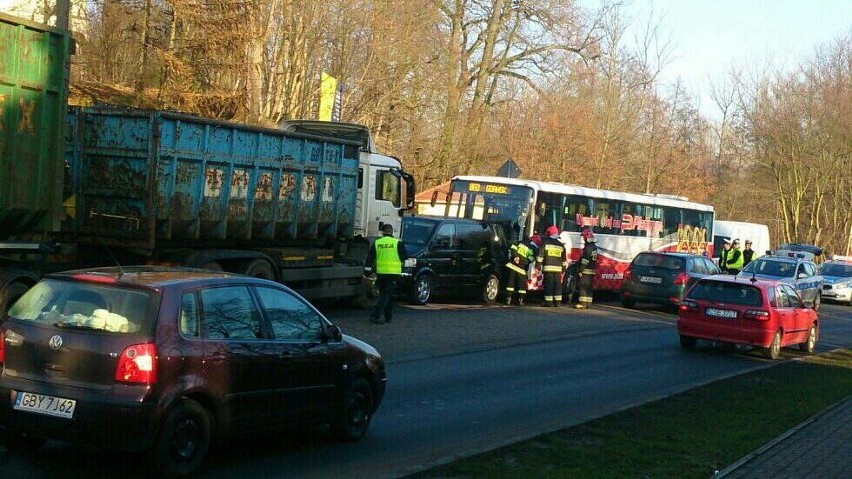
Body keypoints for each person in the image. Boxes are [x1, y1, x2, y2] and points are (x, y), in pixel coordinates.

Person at [364, 223, 406, 324]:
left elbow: (370, 258)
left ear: (382, 232)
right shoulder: (397, 243)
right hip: (393, 273)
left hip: (381, 273)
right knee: (386, 295)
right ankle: (375, 315)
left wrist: (367, 271)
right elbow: (404, 257)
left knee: (386, 294)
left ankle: (388, 317)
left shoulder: (377, 243)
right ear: (392, 232)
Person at [504, 234, 538, 306]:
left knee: (510, 283)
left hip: (512, 266)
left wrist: (515, 257)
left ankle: (508, 299)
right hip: (522, 269)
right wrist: (524, 261)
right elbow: (531, 259)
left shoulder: (518, 243)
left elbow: (512, 248)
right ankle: (521, 300)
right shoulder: (533, 249)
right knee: (522, 286)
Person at [537, 225, 567, 307]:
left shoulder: (545, 244)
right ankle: (557, 302)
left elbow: (540, 257)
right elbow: (564, 260)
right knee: (557, 285)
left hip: (548, 268)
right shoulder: (561, 245)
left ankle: (549, 302)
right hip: (558, 270)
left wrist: (537, 266)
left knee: (549, 285)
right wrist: (563, 269)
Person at [574, 228, 598, 309]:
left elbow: (585, 260)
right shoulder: (594, 247)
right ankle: (588, 303)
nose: (583, 239)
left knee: (582, 286)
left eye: (584, 237)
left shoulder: (588, 248)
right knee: (589, 287)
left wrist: (580, 270)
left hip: (586, 271)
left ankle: (583, 304)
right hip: (592, 270)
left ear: (587, 238)